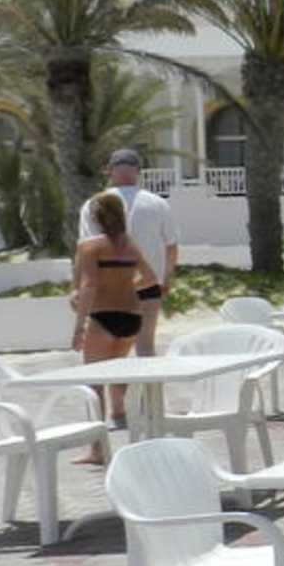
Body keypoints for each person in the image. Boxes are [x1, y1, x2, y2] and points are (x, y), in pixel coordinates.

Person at [77, 146, 180, 426]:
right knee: (144, 349)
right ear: (138, 171)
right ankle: (149, 410)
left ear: (110, 171)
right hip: (147, 286)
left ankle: (111, 416)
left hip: (108, 291)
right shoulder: (157, 204)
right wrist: (166, 279)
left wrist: (80, 290)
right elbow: (171, 247)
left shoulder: (95, 204)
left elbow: (87, 249)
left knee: (101, 359)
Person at [70, 191, 159, 455]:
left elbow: (89, 285)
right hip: (131, 316)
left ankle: (97, 450)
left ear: (95, 218)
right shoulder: (130, 245)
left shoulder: (89, 246)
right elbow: (150, 279)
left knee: (94, 384)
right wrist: (126, 285)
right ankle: (132, 431)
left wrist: (79, 326)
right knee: (116, 374)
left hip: (103, 316)